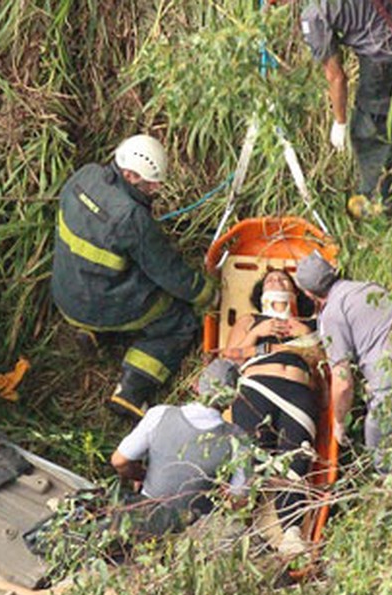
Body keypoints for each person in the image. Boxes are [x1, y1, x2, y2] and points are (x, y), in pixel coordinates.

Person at [51, 134, 216, 421]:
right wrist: (207, 294)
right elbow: (168, 271)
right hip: (96, 304)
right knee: (179, 320)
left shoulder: (84, 175)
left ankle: (94, 334)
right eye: (151, 183)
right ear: (129, 174)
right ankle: (131, 391)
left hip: (65, 292)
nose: (155, 189)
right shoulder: (130, 217)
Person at [294, 251, 392, 471]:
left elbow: (342, 382)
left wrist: (339, 423)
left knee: (377, 438)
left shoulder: (331, 315)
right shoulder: (369, 287)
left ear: (308, 293)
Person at [220, 268, 323, 553]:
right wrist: (258, 334)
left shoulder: (310, 323)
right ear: (261, 294)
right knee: (252, 458)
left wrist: (306, 335)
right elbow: (229, 357)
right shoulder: (250, 321)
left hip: (298, 392)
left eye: (283, 280)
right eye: (270, 281)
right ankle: (241, 529)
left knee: (295, 459)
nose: (276, 282)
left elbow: (328, 365)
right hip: (256, 387)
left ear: (295, 292)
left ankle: (291, 533)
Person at [299, 0, 392, 212]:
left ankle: (380, 201)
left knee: (366, 130)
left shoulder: (313, 16)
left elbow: (337, 77)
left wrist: (340, 122)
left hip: (386, 58)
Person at [109, 359, 248, 535]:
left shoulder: (159, 415)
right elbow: (240, 497)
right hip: (193, 531)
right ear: (233, 398)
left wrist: (145, 476)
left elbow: (119, 461)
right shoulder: (238, 439)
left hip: (145, 518)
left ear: (196, 386)